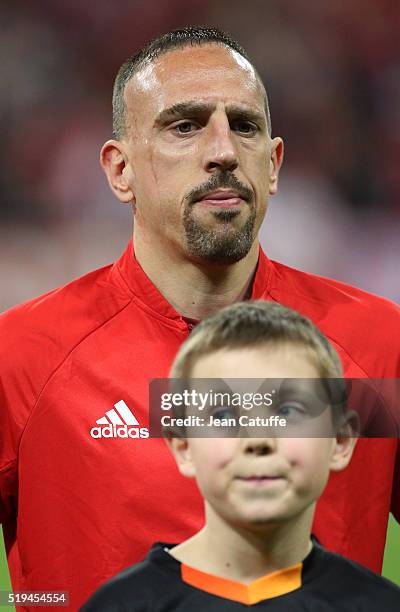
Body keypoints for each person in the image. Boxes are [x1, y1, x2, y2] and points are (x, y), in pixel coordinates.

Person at [0, 26, 399, 611]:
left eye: (244, 126)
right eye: (184, 126)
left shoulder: (378, 345)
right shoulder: (22, 356)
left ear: (274, 164)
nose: (223, 152)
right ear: (119, 171)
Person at [82, 301, 400, 611]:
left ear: (341, 439)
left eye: (288, 410)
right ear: (184, 446)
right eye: (223, 416)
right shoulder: (120, 604)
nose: (257, 439)